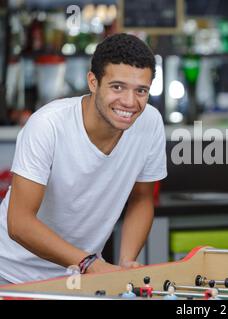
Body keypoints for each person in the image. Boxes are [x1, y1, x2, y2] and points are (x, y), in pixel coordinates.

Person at [0, 33, 167, 285]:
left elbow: (141, 198)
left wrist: (126, 263)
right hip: (10, 274)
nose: (130, 102)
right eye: (117, 87)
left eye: (141, 90)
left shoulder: (150, 123)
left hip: (79, 277)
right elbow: (19, 223)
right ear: (93, 82)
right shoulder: (48, 125)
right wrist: (90, 263)